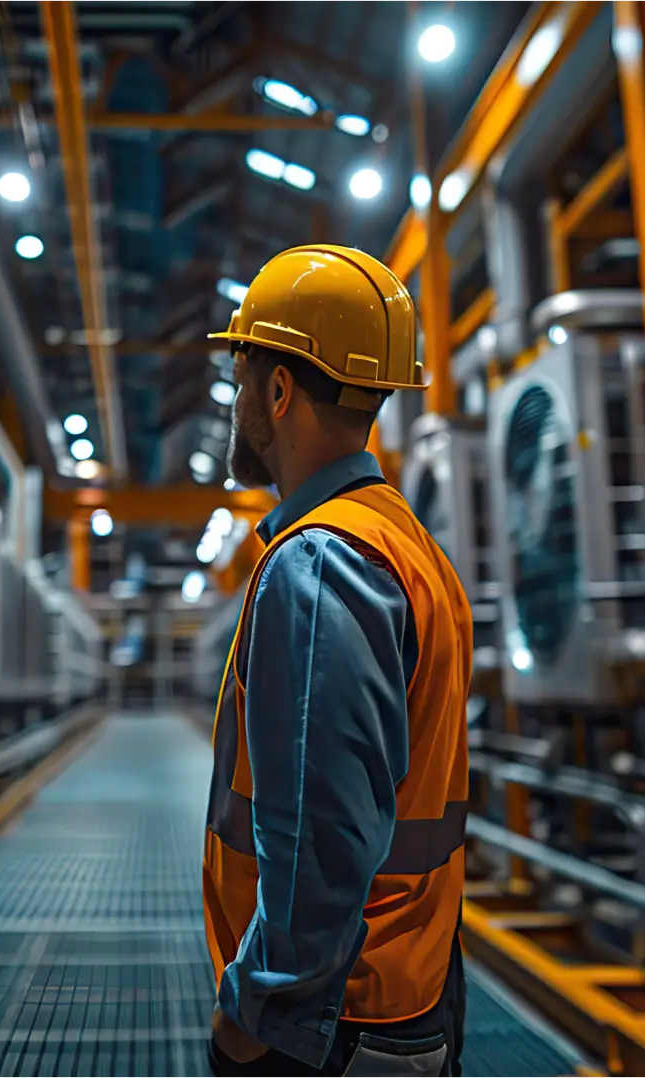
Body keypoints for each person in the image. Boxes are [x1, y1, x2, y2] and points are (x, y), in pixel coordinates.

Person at [200, 244, 474, 1077]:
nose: (235, 402)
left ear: (277, 390)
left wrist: (257, 1016)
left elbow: (321, 836)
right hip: (407, 990)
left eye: (240, 377)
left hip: (326, 1026)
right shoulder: (404, 541)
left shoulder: (318, 562)